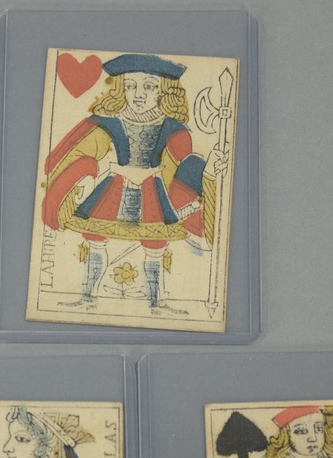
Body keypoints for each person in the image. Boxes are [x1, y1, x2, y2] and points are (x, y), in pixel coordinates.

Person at [41, 53, 225, 314]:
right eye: (130, 86)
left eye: (149, 86)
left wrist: (210, 170)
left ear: (163, 90)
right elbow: (83, 153)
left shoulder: (173, 128)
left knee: (155, 246)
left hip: (153, 191)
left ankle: (156, 303)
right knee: (95, 239)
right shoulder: (109, 122)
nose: (139, 94)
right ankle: (87, 296)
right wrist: (103, 170)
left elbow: (180, 167)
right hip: (115, 186)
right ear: (121, 88)